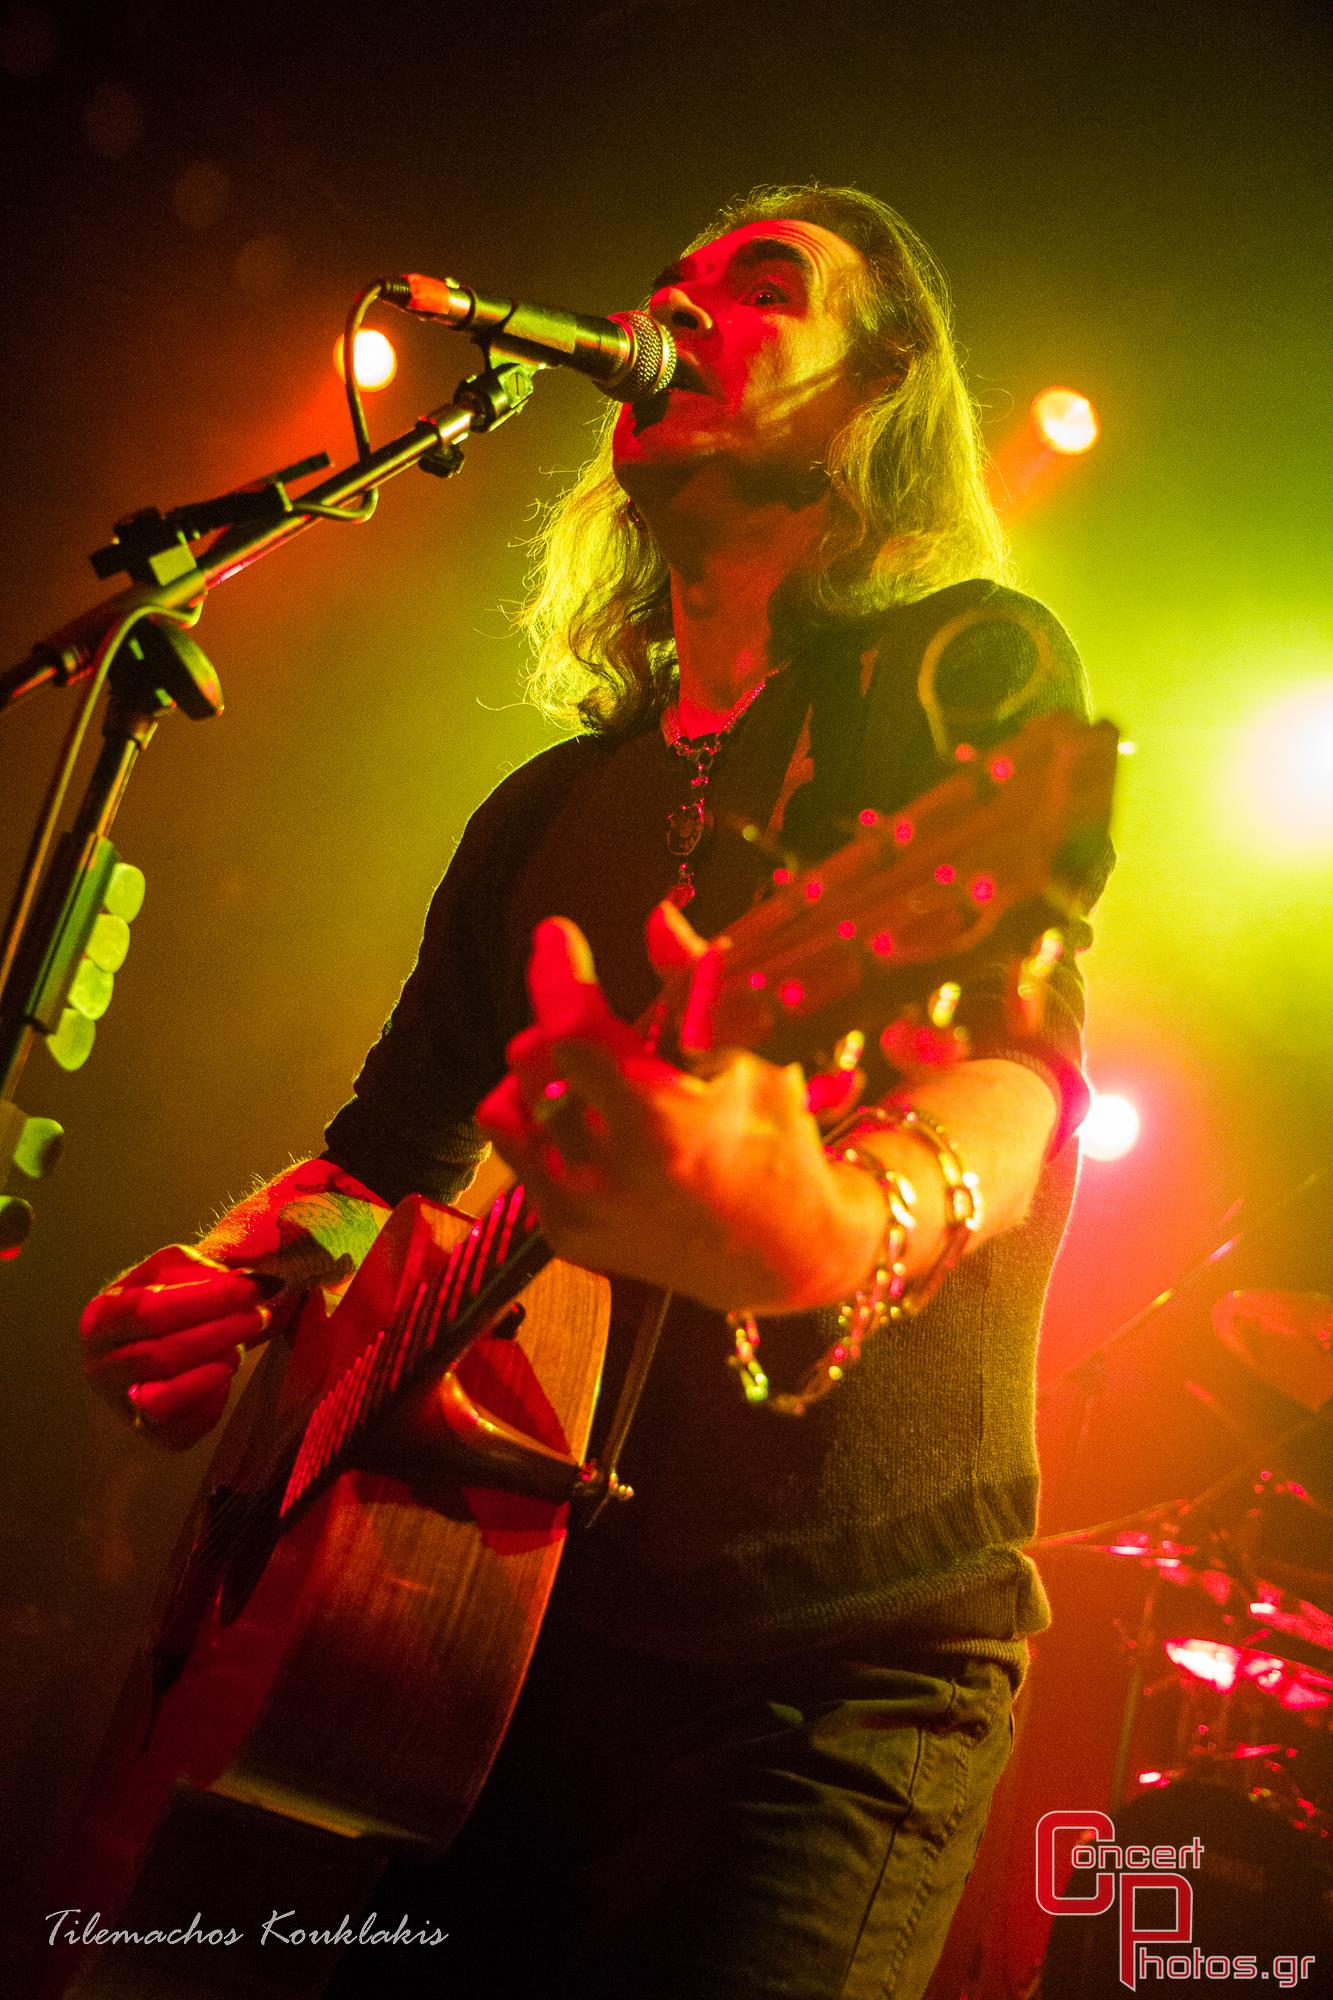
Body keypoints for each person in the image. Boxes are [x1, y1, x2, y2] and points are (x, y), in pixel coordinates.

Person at [79, 183, 1103, 1999]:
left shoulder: (953, 673)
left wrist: (829, 1228)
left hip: (824, 1681)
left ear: (878, 395)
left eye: (761, 287)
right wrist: (233, 1279)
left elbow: (1010, 1070)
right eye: (669, 284)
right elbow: (381, 1161)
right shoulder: (544, 812)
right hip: (486, 1658)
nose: (683, 307)